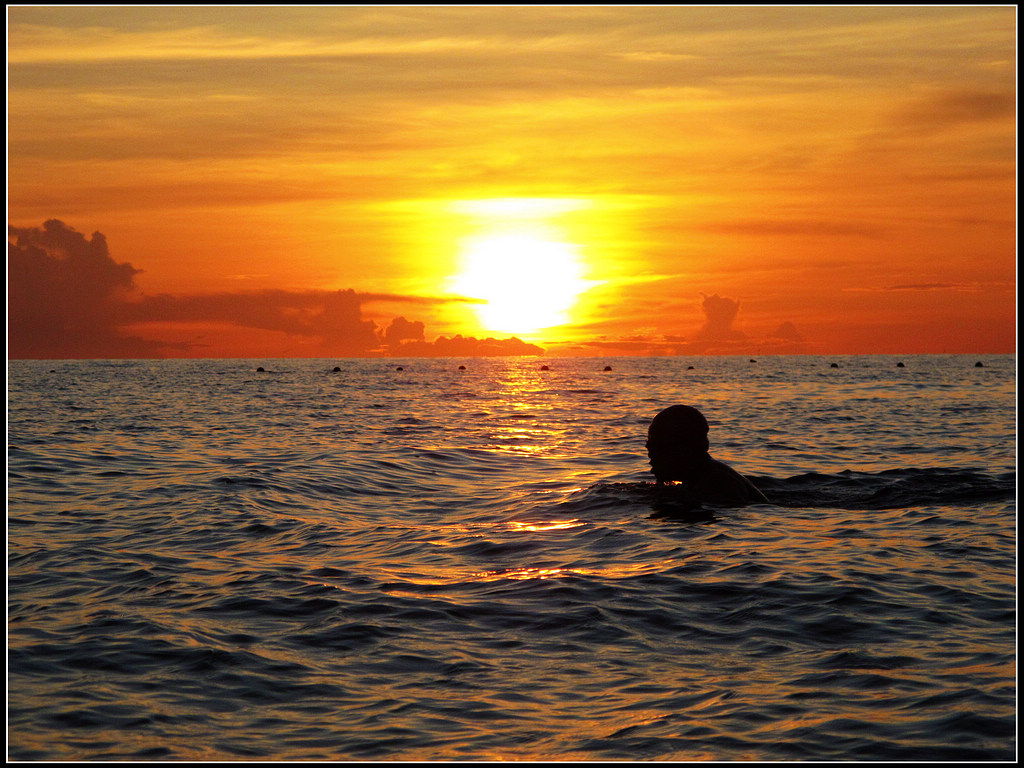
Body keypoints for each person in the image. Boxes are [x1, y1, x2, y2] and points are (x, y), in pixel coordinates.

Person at [646, 404, 768, 505]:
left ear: (683, 449)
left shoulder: (717, 483)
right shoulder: (704, 476)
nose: (650, 457)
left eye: (656, 448)